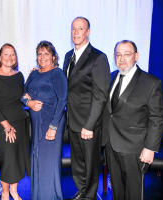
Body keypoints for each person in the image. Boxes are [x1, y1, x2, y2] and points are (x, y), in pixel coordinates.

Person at [102, 40, 163, 200]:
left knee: (133, 192)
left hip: (134, 148)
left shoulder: (151, 83)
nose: (122, 58)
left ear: (136, 56)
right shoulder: (110, 77)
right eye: (118, 54)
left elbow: (157, 118)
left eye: (127, 54)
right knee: (117, 190)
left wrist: (150, 148)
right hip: (111, 145)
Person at [63, 17, 110, 200]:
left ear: (88, 32)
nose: (76, 32)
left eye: (80, 28)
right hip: (72, 120)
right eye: (73, 28)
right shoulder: (68, 56)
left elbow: (100, 96)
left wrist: (89, 125)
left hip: (89, 123)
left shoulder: (98, 58)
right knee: (78, 162)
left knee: (90, 163)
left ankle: (90, 195)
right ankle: (81, 190)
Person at [22, 41, 68, 200]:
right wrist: (29, 103)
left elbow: (62, 100)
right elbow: (23, 95)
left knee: (49, 163)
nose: (42, 57)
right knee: (38, 161)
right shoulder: (34, 73)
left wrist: (53, 127)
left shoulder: (58, 73)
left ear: (54, 57)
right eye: (39, 54)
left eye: (46, 54)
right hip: (36, 124)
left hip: (52, 122)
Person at [0, 43, 30, 200]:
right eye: (6, 54)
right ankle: (5, 193)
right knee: (9, 158)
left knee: (18, 157)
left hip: (20, 121)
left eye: (12, 54)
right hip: (3, 124)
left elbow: (22, 96)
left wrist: (29, 95)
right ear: (0, 57)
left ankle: (14, 190)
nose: (10, 57)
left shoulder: (19, 75)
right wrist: (6, 125)